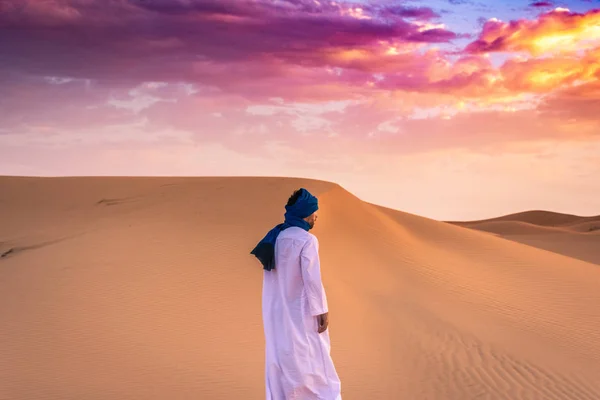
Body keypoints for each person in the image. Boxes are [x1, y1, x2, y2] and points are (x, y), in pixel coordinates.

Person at [251, 188, 342, 400]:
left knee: (282, 357)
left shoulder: (277, 237)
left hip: (276, 311)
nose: (316, 216)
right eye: (314, 212)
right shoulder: (307, 240)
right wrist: (322, 311)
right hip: (301, 310)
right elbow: (312, 279)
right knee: (311, 356)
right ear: (305, 214)